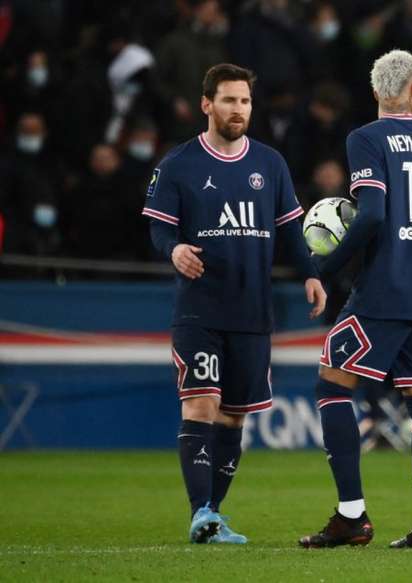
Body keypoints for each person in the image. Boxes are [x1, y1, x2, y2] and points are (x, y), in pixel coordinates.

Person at [141, 63, 326, 544]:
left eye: (244, 101)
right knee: (201, 406)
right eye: (228, 100)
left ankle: (214, 514)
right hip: (199, 310)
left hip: (252, 311)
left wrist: (310, 273)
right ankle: (199, 511)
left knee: (234, 416)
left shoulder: (270, 163)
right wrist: (174, 249)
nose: (238, 109)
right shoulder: (178, 164)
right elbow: (159, 227)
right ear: (207, 104)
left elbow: (290, 229)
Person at [299, 49, 412, 549]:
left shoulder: (365, 138)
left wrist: (321, 266)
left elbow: (370, 215)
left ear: (376, 94)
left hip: (386, 289)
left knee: (331, 384)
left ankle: (351, 515)